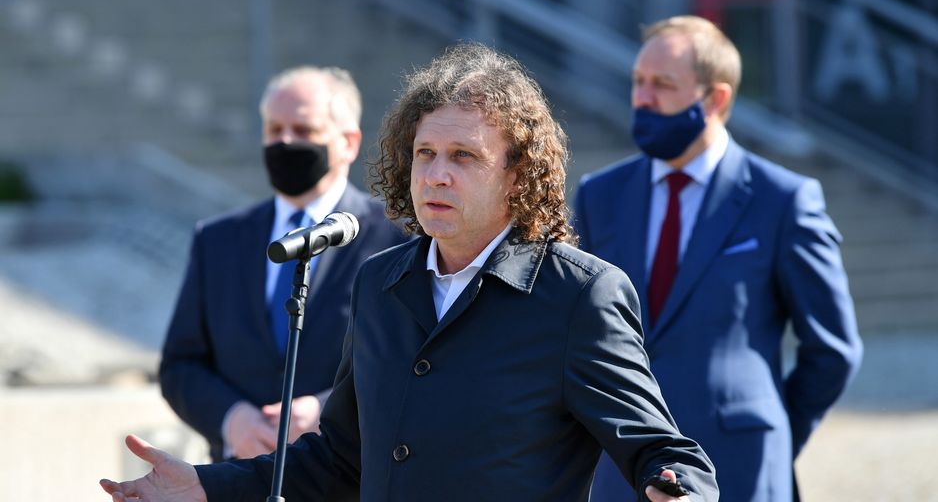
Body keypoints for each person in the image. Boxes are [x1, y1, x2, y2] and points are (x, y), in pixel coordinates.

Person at [101, 44, 719, 502]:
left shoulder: (580, 294)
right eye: (425, 154)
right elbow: (340, 458)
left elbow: (660, 448)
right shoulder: (379, 283)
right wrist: (207, 486)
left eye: (464, 157)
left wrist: (679, 489)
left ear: (517, 175)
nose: (436, 175)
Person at [575, 16, 863, 502]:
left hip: (740, 469)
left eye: (663, 84)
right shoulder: (599, 195)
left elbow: (833, 350)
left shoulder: (783, 200)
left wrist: (772, 437)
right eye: (638, 81)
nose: (643, 98)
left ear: (716, 98)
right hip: (622, 472)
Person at [159, 66, 405, 462]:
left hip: (346, 476)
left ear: (348, 143)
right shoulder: (217, 240)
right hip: (240, 478)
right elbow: (180, 365)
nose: (285, 141)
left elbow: (409, 362)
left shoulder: (398, 239)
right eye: (274, 129)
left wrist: (329, 410)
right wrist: (231, 419)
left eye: (303, 130)